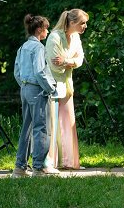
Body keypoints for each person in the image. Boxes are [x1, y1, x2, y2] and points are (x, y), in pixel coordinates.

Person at [12, 14, 57, 177]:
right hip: (37, 90)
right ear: (39, 30)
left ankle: (19, 168)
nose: (48, 31)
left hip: (25, 89)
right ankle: (38, 168)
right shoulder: (38, 47)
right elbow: (39, 71)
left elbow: (16, 72)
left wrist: (24, 86)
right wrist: (51, 87)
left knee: (27, 128)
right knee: (42, 128)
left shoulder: (23, 47)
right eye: (46, 28)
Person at [44, 9, 89, 170]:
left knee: (68, 122)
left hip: (67, 86)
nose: (84, 26)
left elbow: (80, 59)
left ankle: (69, 162)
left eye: (85, 23)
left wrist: (67, 61)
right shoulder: (54, 37)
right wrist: (69, 63)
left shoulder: (76, 37)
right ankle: (48, 162)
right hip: (53, 86)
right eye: (82, 23)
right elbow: (55, 66)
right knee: (52, 124)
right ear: (71, 22)